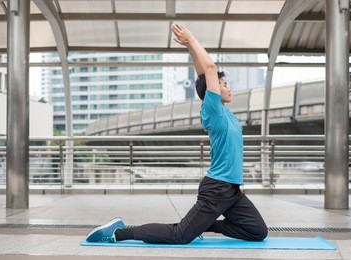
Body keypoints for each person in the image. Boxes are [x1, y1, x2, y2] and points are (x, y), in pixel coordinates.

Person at [85, 23, 268, 244]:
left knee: (257, 231)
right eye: (224, 83)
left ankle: (205, 223)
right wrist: (191, 39)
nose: (229, 87)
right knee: (180, 236)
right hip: (217, 188)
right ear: (213, 90)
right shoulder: (212, 110)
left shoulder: (224, 112)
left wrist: (190, 49)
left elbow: (203, 73)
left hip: (232, 191)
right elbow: (209, 69)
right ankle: (119, 232)